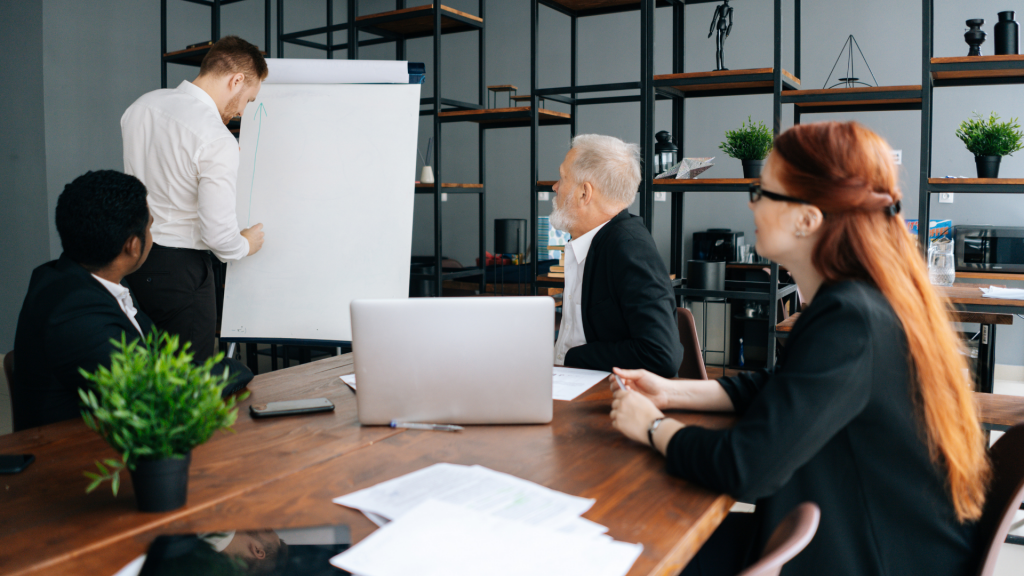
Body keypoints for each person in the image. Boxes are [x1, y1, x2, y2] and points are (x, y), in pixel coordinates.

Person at [609, 122, 991, 576]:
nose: (752, 203)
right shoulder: (863, 298)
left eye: (763, 191)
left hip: (871, 556)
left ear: (808, 219)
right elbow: (790, 388)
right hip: (857, 534)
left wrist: (652, 426)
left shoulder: (851, 318)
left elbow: (746, 467)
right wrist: (672, 393)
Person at [11, 171, 252, 431]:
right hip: (83, 458)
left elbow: (161, 360)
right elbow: (162, 394)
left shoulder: (88, 279)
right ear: (133, 246)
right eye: (150, 226)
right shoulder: (76, 317)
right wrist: (234, 369)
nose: (152, 233)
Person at [121, 35, 268, 362]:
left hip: (135, 260)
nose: (243, 111)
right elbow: (219, 236)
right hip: (183, 273)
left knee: (148, 371)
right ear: (236, 80)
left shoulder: (141, 106)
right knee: (189, 385)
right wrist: (244, 244)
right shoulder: (216, 137)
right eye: (248, 99)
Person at [551, 134, 683, 378]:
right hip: (569, 383)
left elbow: (661, 355)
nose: (555, 187)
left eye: (562, 178)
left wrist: (571, 357)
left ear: (584, 193)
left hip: (611, 401)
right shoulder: (592, 241)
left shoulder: (629, 248)